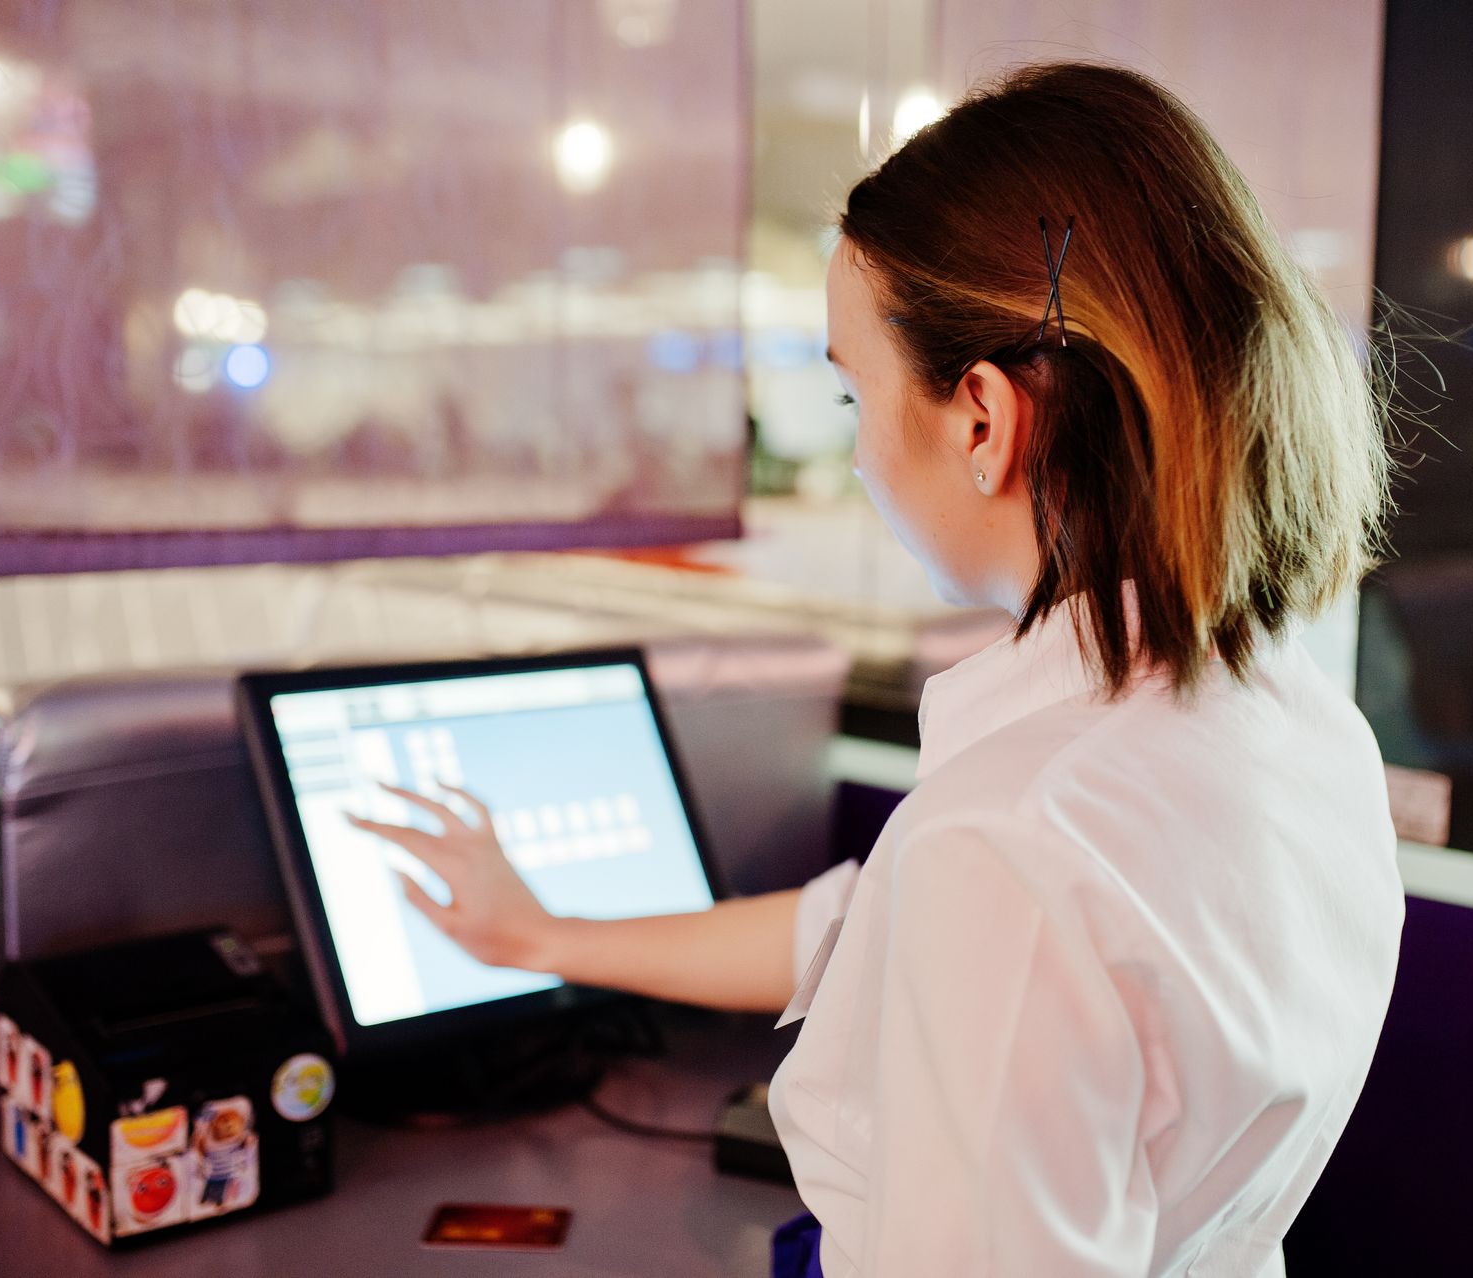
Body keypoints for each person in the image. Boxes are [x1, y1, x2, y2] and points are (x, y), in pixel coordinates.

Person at [348, 59, 1403, 1278]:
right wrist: (538, 935)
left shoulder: (1015, 839)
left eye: (852, 392)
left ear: (981, 420)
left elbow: (977, 921)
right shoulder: (1291, 723)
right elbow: (857, 929)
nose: (851, 455)